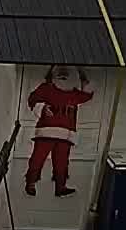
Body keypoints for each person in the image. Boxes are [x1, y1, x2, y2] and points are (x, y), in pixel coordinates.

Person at [23, 65, 94, 197]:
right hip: (46, 131)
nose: (63, 75)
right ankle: (30, 183)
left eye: (66, 74)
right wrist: (42, 108)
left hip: (65, 135)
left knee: (62, 162)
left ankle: (60, 187)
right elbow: (32, 99)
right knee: (37, 159)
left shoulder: (74, 94)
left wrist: (82, 74)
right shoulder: (46, 89)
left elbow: (88, 94)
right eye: (60, 73)